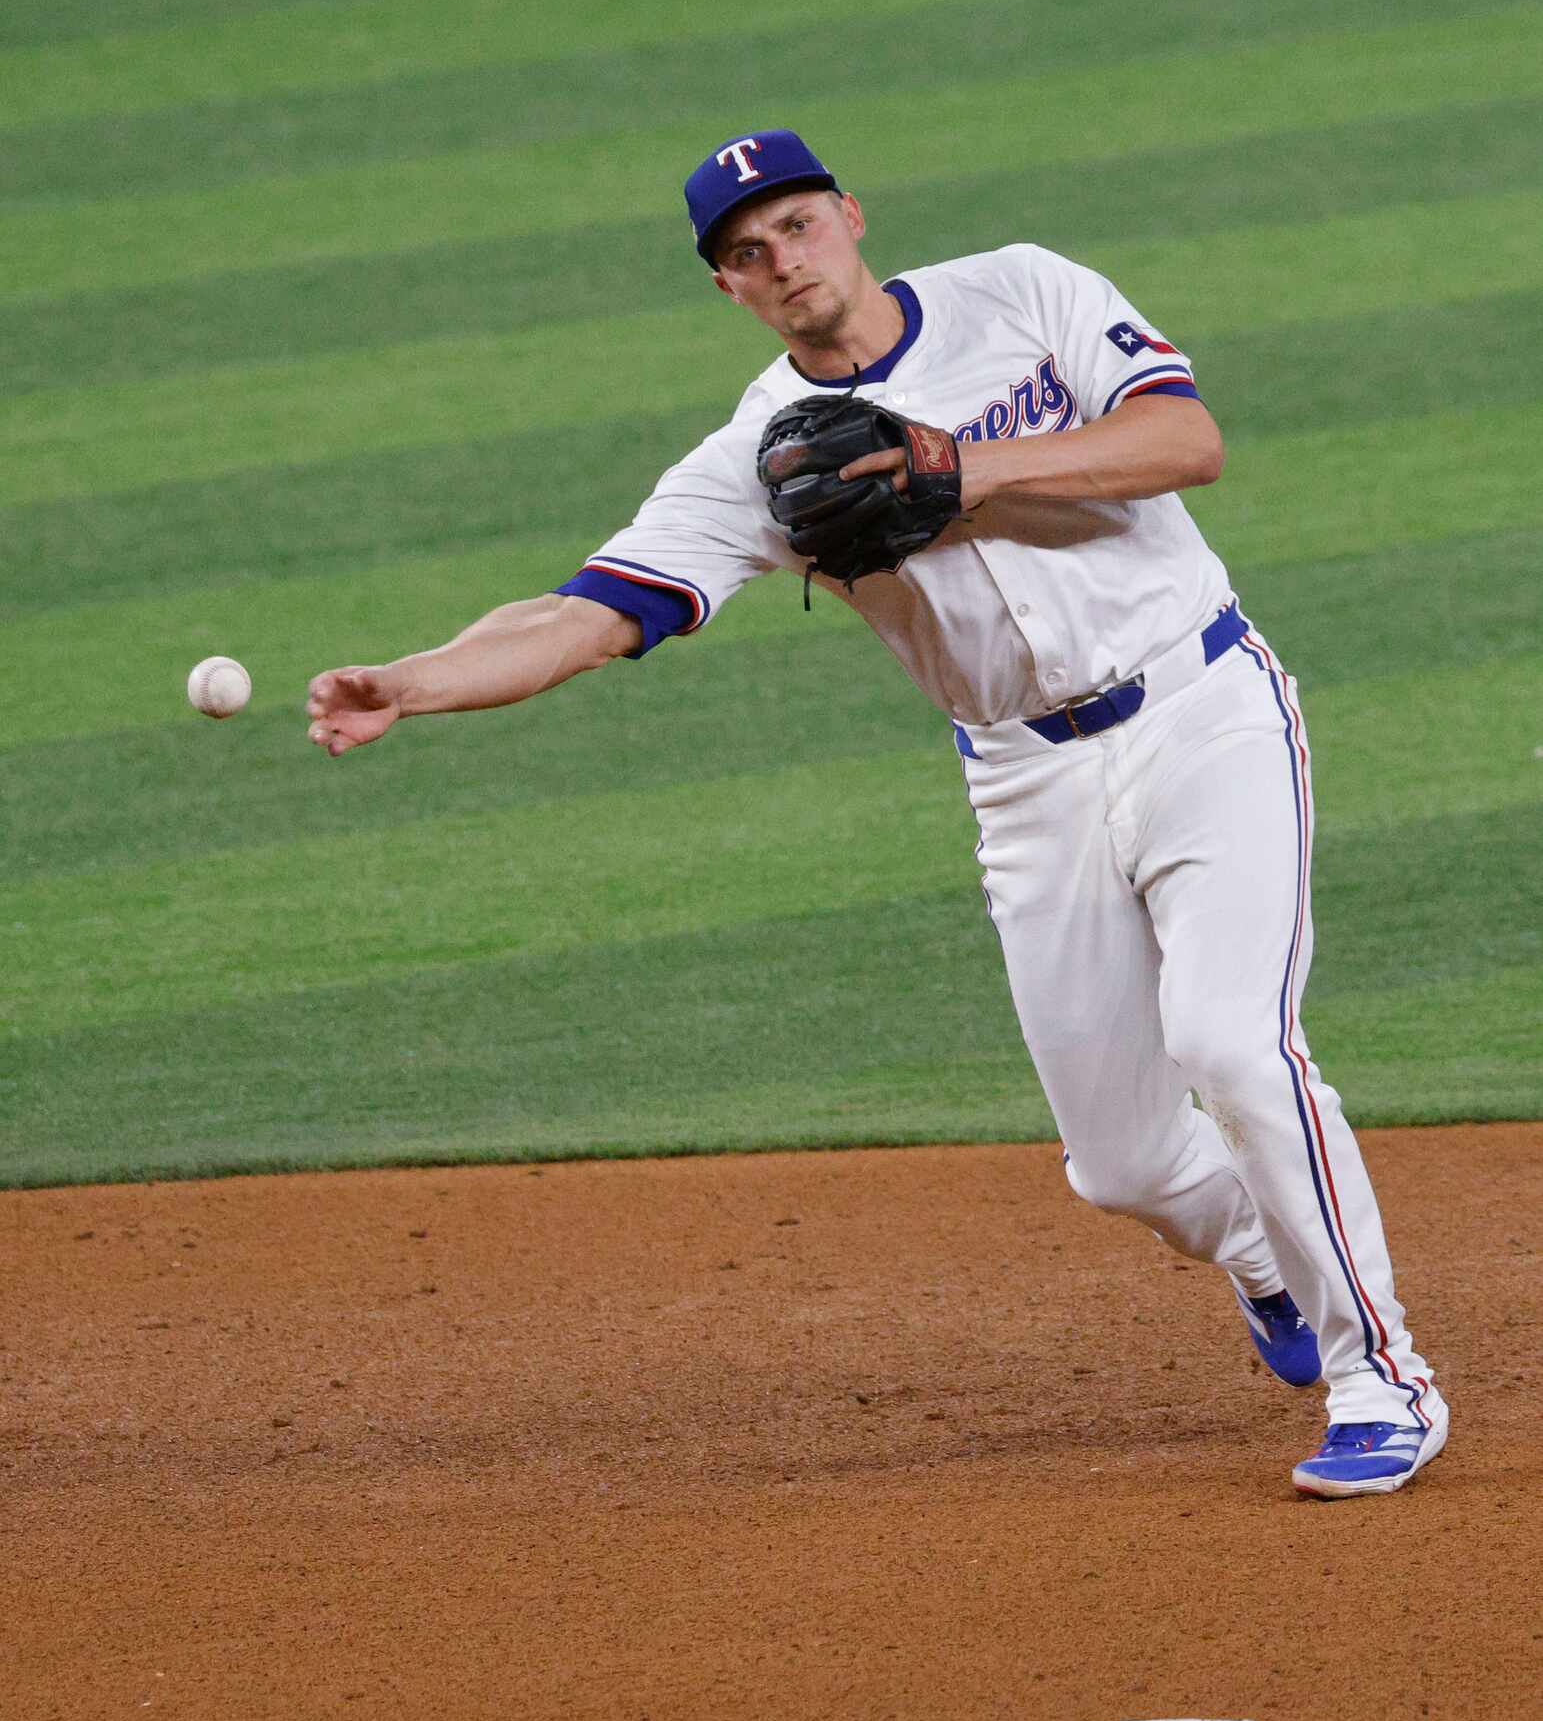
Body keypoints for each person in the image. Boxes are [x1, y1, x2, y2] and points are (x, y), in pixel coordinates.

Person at [307, 130, 1446, 1499]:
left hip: (1203, 708)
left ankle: (1383, 1373)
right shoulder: (759, 463)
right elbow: (583, 614)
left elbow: (1185, 440)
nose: (781, 260)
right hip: (1024, 775)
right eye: (745, 253)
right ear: (728, 290)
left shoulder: (1023, 292)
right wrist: (412, 683)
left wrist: (956, 471)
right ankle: (1266, 1253)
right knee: (1127, 1165)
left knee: (1233, 1041)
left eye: (795, 225)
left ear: (850, 217)